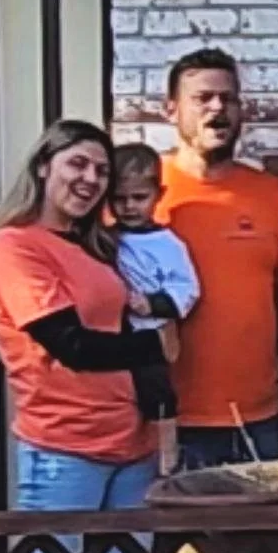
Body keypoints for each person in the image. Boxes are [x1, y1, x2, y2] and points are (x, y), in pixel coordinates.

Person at [0, 120, 176, 553]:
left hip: (130, 442)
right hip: (64, 446)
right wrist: (156, 344)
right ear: (43, 167)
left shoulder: (93, 247)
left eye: (101, 170)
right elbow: (70, 346)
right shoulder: (16, 246)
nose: (90, 179)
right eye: (78, 164)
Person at [154, 47, 278, 467]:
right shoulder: (143, 193)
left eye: (229, 98)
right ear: (171, 111)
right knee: (180, 535)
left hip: (260, 416)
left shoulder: (269, 194)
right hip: (168, 419)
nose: (218, 108)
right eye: (202, 98)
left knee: (259, 534)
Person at [111, 142, 200, 475]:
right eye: (120, 199)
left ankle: (167, 453)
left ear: (158, 195)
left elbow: (187, 290)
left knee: (156, 388)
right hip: (114, 333)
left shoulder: (169, 244)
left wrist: (153, 304)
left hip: (150, 331)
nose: (129, 207)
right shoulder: (104, 239)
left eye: (138, 198)